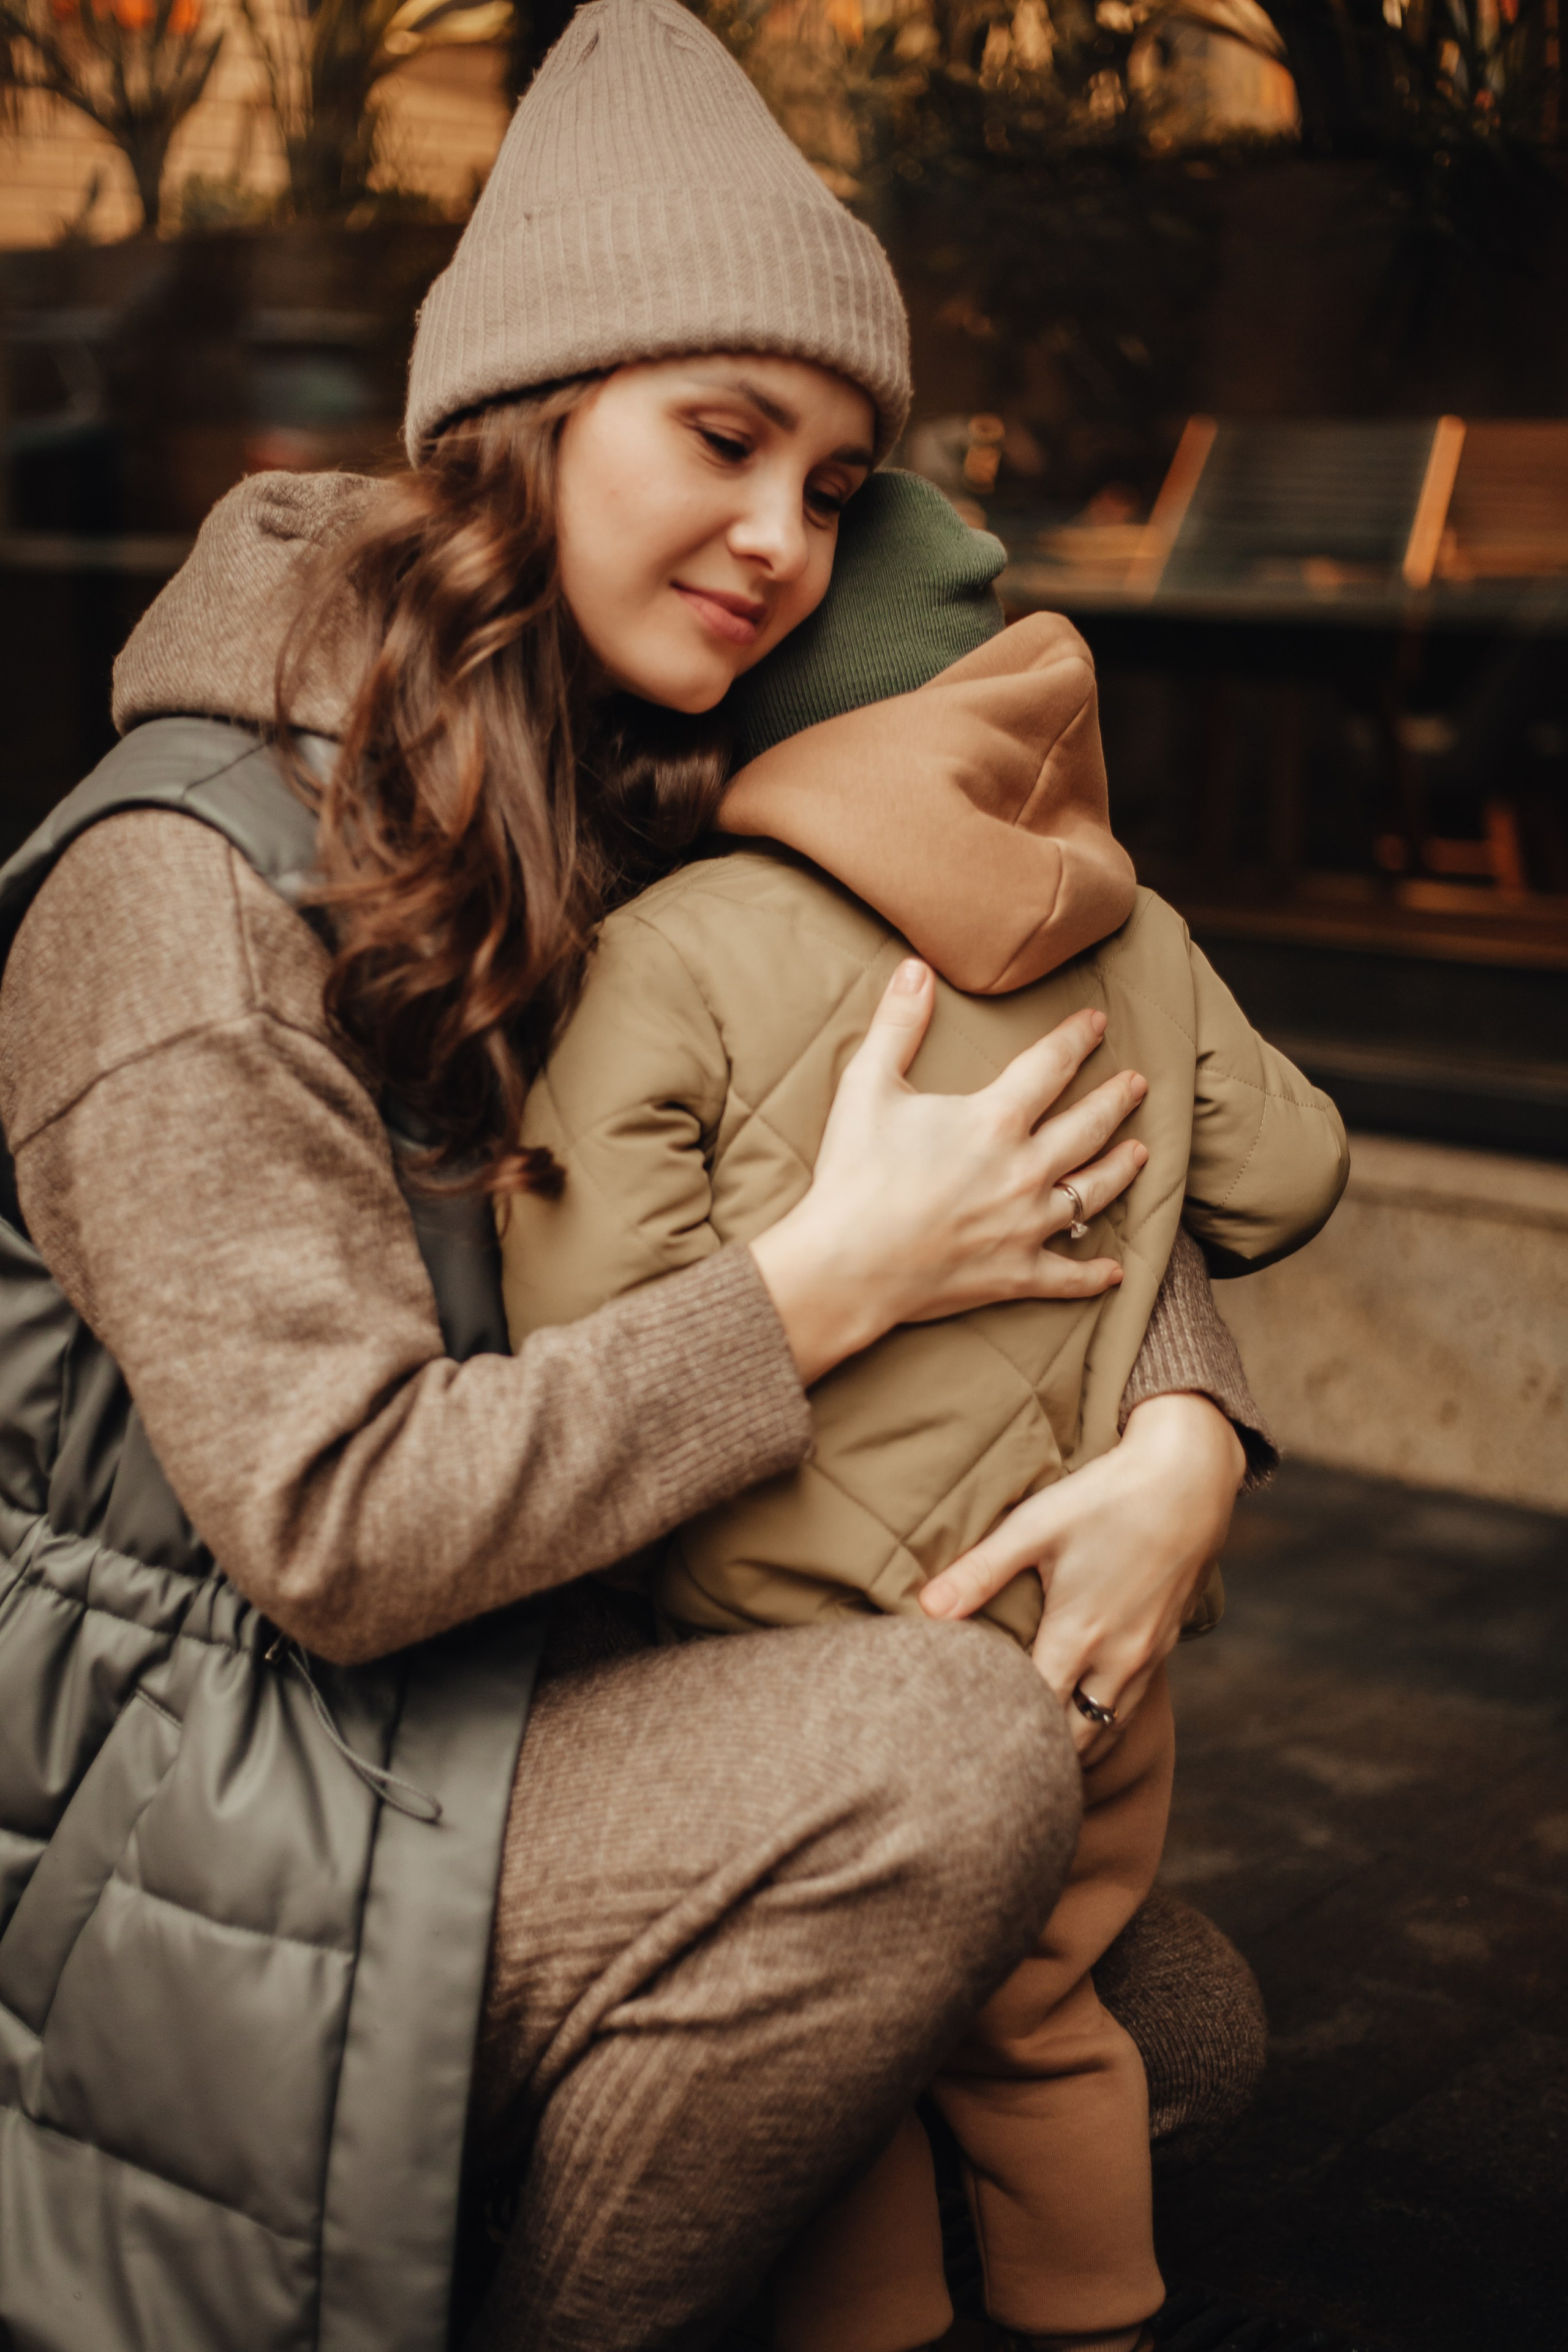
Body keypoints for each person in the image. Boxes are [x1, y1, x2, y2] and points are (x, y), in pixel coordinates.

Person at [0, 7, 1273, 2348]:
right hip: (207, 1787)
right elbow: (344, 1535)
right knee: (951, 1775)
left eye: (833, 480)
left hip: (535, 1683)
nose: (788, 543)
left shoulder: (627, 779)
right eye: (725, 439)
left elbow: (1046, 1080)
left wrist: (1187, 1428)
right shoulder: (181, 896)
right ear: (524, 420)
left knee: (1165, 2013)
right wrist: (819, 1290)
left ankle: (572, 2152)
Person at [497, 470, 1348, 2352]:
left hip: (792, 1676)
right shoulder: (1142, 936)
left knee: (853, 2057)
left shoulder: (676, 945)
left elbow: (594, 1318)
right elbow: (1288, 1183)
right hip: (1081, 1660)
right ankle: (1097, 2319)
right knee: (1043, 2025)